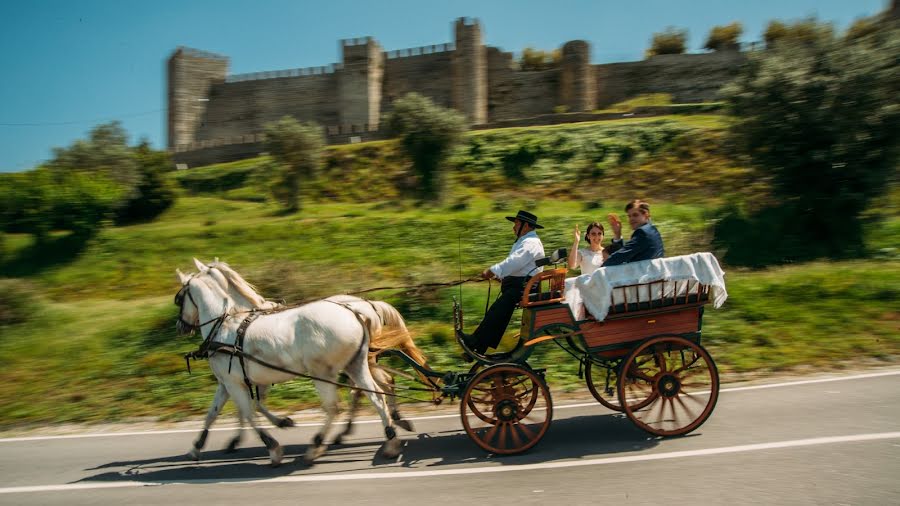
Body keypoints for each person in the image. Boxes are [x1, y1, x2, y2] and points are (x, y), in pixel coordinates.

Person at [458, 210, 545, 355]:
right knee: (498, 313)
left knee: (496, 311)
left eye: (517, 224)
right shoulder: (525, 241)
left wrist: (493, 270)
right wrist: (501, 276)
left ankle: (475, 342)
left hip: (523, 287)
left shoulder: (531, 242)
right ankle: (479, 346)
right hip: (519, 285)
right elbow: (518, 267)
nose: (513, 227)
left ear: (526, 226)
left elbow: (514, 262)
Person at [603, 199, 664, 266]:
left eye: (635, 215)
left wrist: (599, 270)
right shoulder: (653, 230)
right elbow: (625, 253)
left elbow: (620, 256)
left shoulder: (642, 233)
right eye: (629, 216)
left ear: (646, 215)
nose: (631, 219)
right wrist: (618, 234)